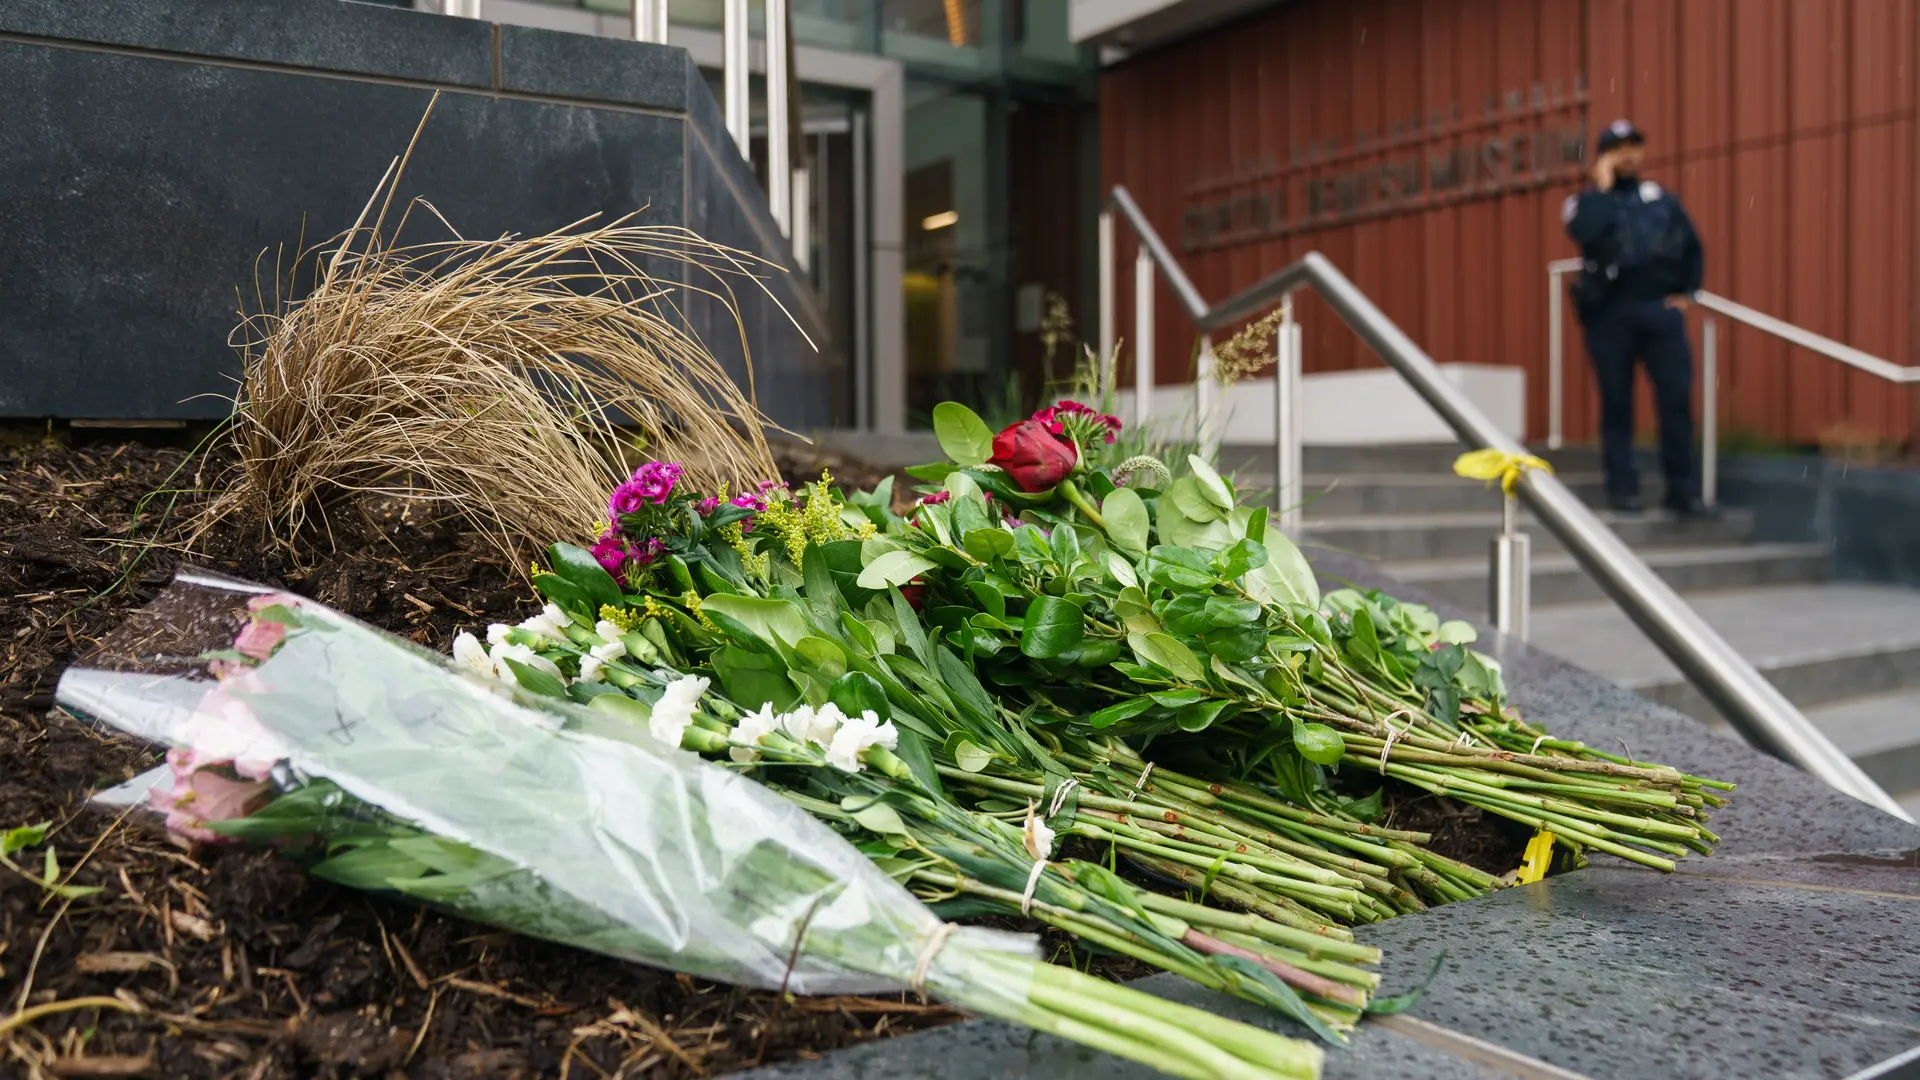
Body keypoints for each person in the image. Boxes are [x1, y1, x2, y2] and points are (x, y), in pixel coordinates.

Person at [1562, 119, 1709, 516]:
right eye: (1618, 148)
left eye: (1634, 145)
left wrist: (1687, 293)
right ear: (1603, 157)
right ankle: (1623, 489)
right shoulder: (1587, 201)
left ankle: (1683, 491)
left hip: (1659, 311)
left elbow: (1693, 246)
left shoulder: (1661, 199)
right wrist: (1604, 188)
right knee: (1617, 402)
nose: (1629, 154)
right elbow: (1585, 232)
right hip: (1611, 313)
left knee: (1676, 401)